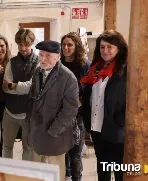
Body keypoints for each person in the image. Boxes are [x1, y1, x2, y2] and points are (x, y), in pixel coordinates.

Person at [27, 40, 79, 181]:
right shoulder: (37, 72)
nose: (43, 59)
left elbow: (70, 110)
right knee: (35, 175)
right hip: (37, 134)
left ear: (58, 56)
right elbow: (33, 99)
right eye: (41, 55)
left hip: (55, 136)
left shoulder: (68, 78)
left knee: (55, 176)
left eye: (48, 56)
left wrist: (53, 131)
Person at [81, 30, 127, 181]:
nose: (105, 51)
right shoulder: (95, 68)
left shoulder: (125, 70)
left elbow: (132, 100)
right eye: (102, 47)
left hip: (116, 130)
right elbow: (90, 96)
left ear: (119, 48)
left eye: (110, 47)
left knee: (119, 170)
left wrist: (120, 121)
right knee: (103, 168)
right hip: (97, 128)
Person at [2, 28, 38, 160]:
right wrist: (18, 87)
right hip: (10, 111)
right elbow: (6, 87)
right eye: (20, 44)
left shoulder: (39, 63)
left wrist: (14, 85)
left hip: (29, 112)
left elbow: (33, 87)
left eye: (26, 44)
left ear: (32, 43)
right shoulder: (12, 62)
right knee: (7, 147)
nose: (23, 48)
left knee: (28, 147)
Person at [61, 32, 91, 181]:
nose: (66, 48)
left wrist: (77, 104)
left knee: (76, 153)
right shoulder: (58, 63)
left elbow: (89, 90)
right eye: (64, 45)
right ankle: (66, 176)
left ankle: (76, 178)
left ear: (76, 46)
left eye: (70, 45)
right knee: (63, 150)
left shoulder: (84, 65)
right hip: (60, 114)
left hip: (77, 115)